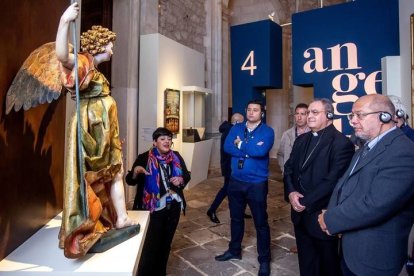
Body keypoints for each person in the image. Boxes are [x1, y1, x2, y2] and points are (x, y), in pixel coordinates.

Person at [56, 3, 136, 258]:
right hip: (92, 129)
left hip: (103, 127)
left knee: (116, 171)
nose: (113, 48)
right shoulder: (81, 61)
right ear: (101, 45)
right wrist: (64, 21)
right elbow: (61, 55)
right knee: (106, 173)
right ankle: (109, 218)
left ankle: (121, 218)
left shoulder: (95, 68)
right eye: (110, 44)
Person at [318, 94, 414, 276]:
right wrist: (331, 215)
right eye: (351, 116)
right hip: (351, 250)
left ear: (384, 116)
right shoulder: (367, 146)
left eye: (359, 115)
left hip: (373, 258)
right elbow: (343, 185)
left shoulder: (404, 152)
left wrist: (331, 219)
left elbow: (375, 205)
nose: (353, 121)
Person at [283, 98, 354, 276]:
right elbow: (289, 168)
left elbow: (333, 181)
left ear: (329, 115)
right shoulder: (302, 139)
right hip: (299, 214)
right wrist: (291, 193)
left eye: (315, 112)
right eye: (308, 112)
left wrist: (304, 202)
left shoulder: (341, 143)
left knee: (328, 265)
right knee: (306, 262)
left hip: (320, 216)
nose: (309, 116)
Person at [215, 99, 275, 276]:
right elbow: (227, 147)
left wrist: (240, 144)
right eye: (249, 109)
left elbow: (260, 152)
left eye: (255, 110)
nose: (251, 113)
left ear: (261, 113)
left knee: (261, 223)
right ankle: (234, 250)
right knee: (236, 218)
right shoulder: (236, 128)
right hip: (236, 181)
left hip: (256, 183)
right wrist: (248, 149)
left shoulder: (267, 131)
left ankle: (264, 260)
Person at [125, 127, 191, 276]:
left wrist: (181, 179)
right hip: (153, 208)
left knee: (166, 244)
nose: (166, 142)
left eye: (169, 139)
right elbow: (130, 181)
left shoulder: (176, 156)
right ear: (155, 142)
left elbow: (186, 176)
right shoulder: (144, 158)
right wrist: (136, 172)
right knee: (150, 245)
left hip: (173, 206)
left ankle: (161, 272)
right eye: (162, 139)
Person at [207, 112, 250, 224]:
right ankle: (211, 210)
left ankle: (239, 211)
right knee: (226, 189)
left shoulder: (233, 130)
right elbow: (231, 150)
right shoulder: (230, 132)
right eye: (242, 122)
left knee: (238, 189)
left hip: (234, 166)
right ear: (236, 122)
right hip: (229, 167)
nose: (244, 124)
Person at [277, 103, 310, 174]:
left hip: (307, 176)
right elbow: (280, 154)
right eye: (297, 114)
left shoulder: (313, 134)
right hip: (290, 175)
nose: (299, 117)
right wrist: (284, 169)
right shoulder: (286, 134)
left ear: (308, 116)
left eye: (302, 114)